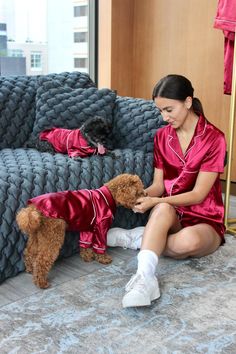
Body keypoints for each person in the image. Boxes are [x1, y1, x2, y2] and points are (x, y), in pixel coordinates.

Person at [122, 74, 227, 308]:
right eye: (160, 111)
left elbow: (199, 195)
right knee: (162, 207)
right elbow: (159, 185)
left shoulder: (214, 139)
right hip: (172, 213)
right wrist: (143, 195)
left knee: (186, 243)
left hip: (205, 218)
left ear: (188, 102)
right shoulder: (161, 137)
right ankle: (145, 278)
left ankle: (142, 238)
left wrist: (155, 201)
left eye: (169, 109)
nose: (164, 117)